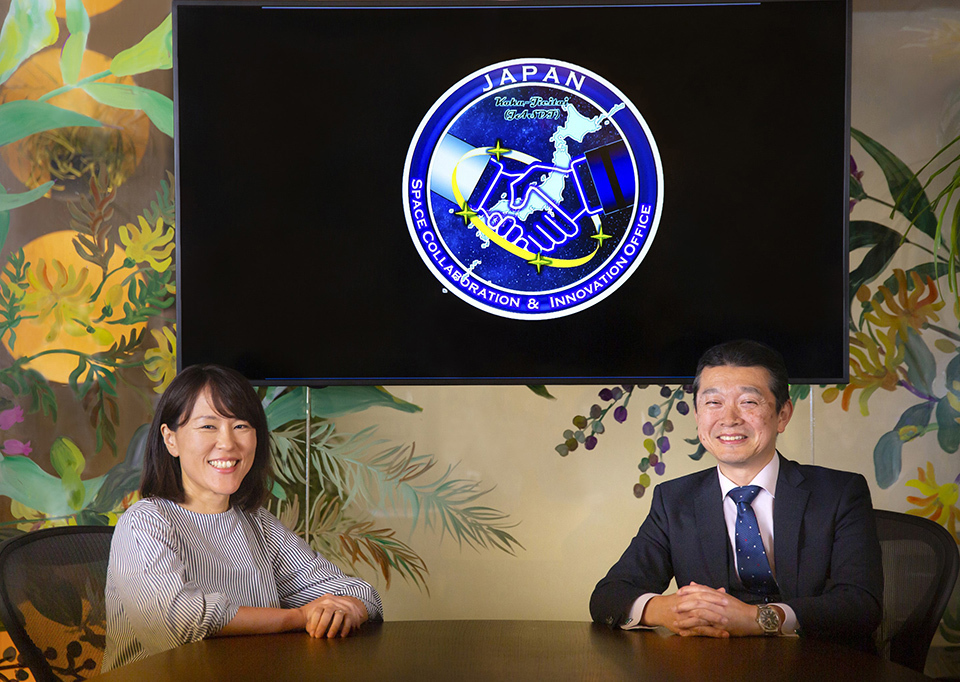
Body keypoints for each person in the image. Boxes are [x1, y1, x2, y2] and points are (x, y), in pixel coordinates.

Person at [590, 340, 883, 652]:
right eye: (713, 403)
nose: (729, 419)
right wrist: (667, 610)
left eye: (748, 402)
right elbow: (608, 595)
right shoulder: (673, 500)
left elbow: (861, 604)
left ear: (783, 415)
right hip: (711, 663)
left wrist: (759, 618)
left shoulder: (840, 493)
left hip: (818, 661)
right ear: (697, 415)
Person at [104, 365, 383, 671]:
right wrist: (298, 617)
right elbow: (177, 623)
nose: (227, 443)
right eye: (208, 426)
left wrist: (347, 610)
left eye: (240, 426)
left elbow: (360, 593)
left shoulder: (257, 524)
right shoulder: (144, 523)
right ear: (171, 439)